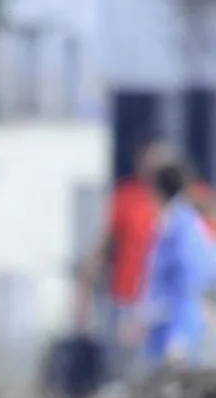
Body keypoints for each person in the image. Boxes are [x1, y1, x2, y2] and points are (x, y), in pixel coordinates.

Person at [76, 139, 172, 366]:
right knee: (123, 361)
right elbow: (107, 242)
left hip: (163, 301)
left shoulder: (183, 203)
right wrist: (84, 288)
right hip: (127, 294)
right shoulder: (126, 197)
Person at [136, 160, 216, 367]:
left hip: (177, 329)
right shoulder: (168, 224)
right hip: (162, 326)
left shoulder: (183, 227)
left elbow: (192, 284)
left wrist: (181, 334)